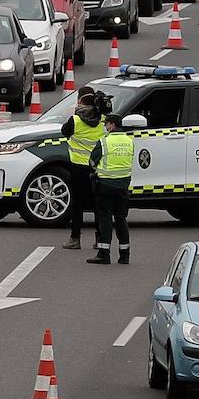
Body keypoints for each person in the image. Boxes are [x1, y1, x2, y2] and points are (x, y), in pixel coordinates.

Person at [60, 87, 106, 250]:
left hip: (78, 167)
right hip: (97, 167)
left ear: (79, 100)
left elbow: (64, 131)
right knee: (98, 204)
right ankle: (100, 239)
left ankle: (75, 238)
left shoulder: (75, 120)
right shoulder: (102, 119)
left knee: (77, 203)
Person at [87, 112, 134, 265]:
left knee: (105, 219)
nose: (105, 126)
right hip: (123, 186)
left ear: (112, 125)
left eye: (106, 124)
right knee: (121, 218)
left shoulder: (104, 141)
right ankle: (124, 255)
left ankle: (104, 254)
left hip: (105, 185)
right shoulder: (129, 141)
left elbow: (92, 161)